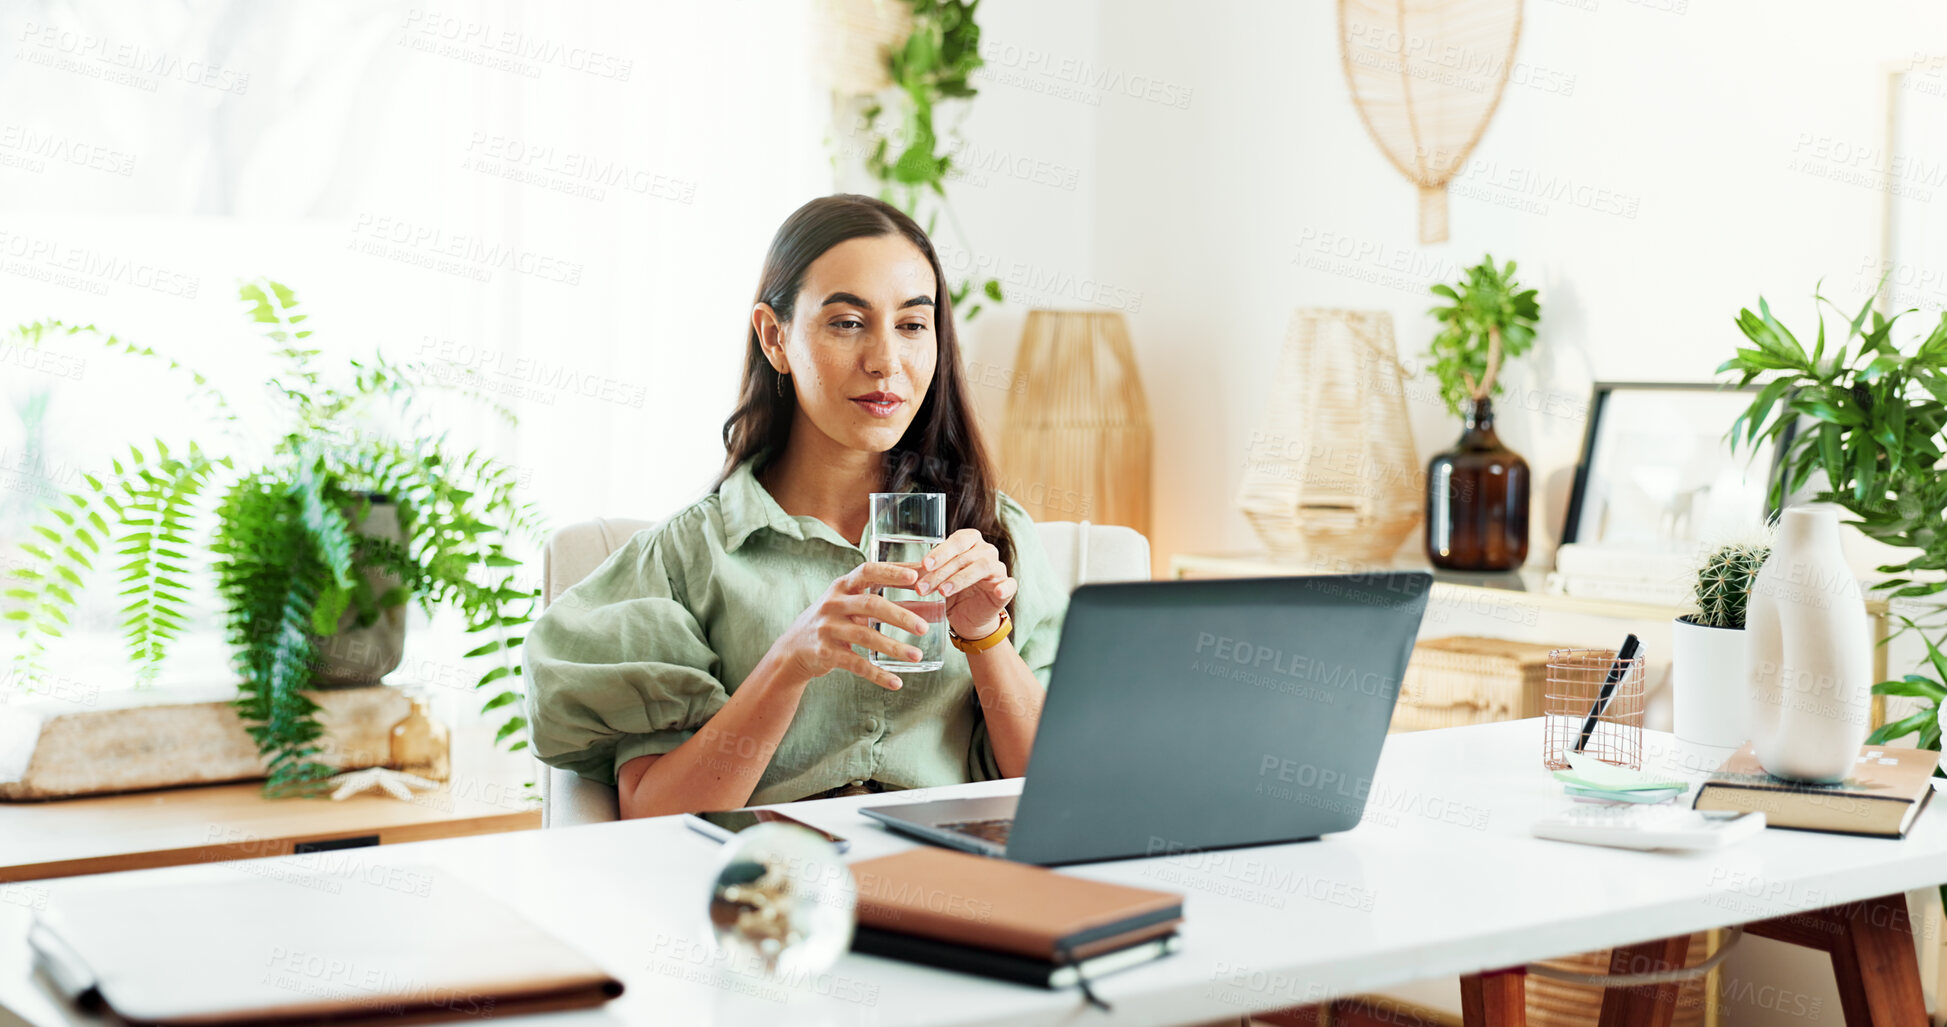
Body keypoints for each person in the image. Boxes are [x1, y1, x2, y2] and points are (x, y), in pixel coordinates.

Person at [525, 194, 1068, 820]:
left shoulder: (993, 535)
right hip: (770, 893)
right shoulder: (681, 564)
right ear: (774, 336)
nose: (886, 361)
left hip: (954, 885)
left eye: (913, 325)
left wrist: (983, 635)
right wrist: (788, 663)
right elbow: (653, 818)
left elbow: (1055, 794)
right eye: (847, 322)